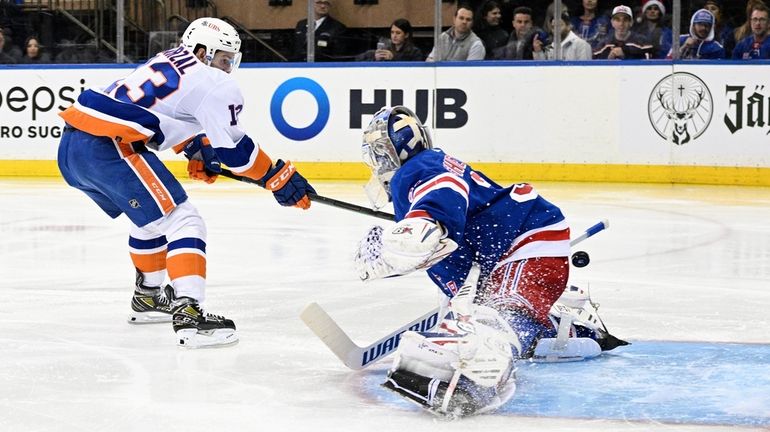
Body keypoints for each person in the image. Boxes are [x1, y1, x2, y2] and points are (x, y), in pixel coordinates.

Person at [57, 18, 315, 348]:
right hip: (108, 147)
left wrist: (195, 146)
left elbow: (157, 110)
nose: (227, 69)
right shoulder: (213, 82)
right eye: (224, 59)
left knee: (152, 222)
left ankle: (148, 297)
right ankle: (189, 314)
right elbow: (237, 154)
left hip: (73, 147)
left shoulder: (169, 58)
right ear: (203, 52)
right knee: (184, 220)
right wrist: (277, 176)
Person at [354, 106, 626, 417]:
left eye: (379, 153)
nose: (377, 164)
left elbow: (446, 191)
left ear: (399, 149)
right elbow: (438, 244)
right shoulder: (419, 174)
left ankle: (473, 379)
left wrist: (425, 225)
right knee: (493, 309)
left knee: (501, 315)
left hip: (526, 238)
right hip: (502, 251)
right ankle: (568, 331)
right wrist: (402, 245)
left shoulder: (419, 168)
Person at [355, 18, 423, 62]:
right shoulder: (386, 48)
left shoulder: (415, 52)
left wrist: (393, 59)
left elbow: (414, 71)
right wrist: (375, 58)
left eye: (398, 33)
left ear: (406, 35)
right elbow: (357, 59)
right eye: (392, 32)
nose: (394, 36)